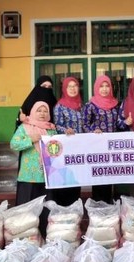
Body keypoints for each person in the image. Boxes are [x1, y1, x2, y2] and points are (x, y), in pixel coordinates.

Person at [10, 101, 57, 236]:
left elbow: (57, 149)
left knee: (46, 207)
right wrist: (31, 139)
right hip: (29, 176)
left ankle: (43, 235)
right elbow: (14, 144)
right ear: (33, 112)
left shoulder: (51, 129)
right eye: (39, 111)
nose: (42, 114)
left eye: (45, 111)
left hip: (47, 175)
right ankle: (26, 236)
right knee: (27, 210)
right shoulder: (24, 128)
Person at [83, 75, 120, 203]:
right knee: (99, 177)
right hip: (97, 147)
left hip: (113, 148)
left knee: (111, 176)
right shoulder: (90, 105)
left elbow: (119, 124)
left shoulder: (115, 104)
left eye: (107, 86)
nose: (104, 89)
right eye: (101, 86)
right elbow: (84, 124)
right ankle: (98, 206)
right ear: (96, 88)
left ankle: (110, 206)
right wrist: (93, 131)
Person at [52, 76, 84, 207]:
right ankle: (63, 209)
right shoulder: (59, 106)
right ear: (64, 88)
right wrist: (65, 130)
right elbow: (56, 125)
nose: (72, 89)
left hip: (79, 149)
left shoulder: (81, 105)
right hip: (65, 150)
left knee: (76, 179)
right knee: (65, 179)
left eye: (75, 86)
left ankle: (74, 210)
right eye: (69, 86)